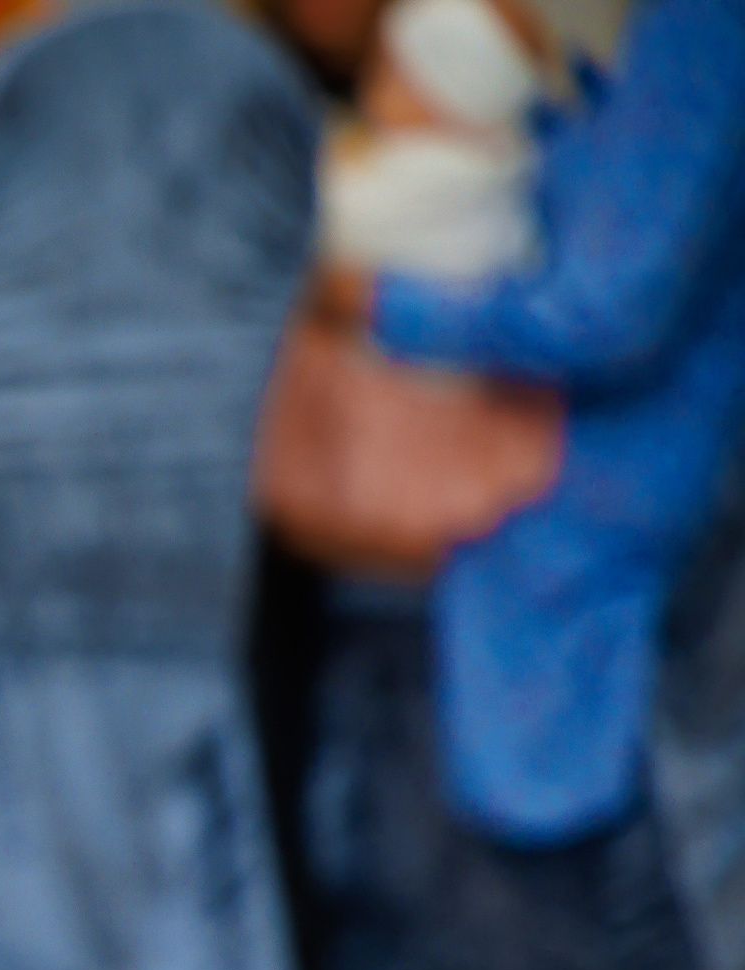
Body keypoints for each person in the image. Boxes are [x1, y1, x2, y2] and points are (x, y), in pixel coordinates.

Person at [312, 0, 745, 845]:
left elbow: (609, 307)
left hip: (592, 532)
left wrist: (371, 300)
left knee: (567, 882)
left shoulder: (699, 26)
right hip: (550, 526)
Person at [321, 0, 547, 283]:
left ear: (442, 95)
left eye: (386, 69)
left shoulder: (440, 172)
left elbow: (326, 215)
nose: (367, 79)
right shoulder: (509, 162)